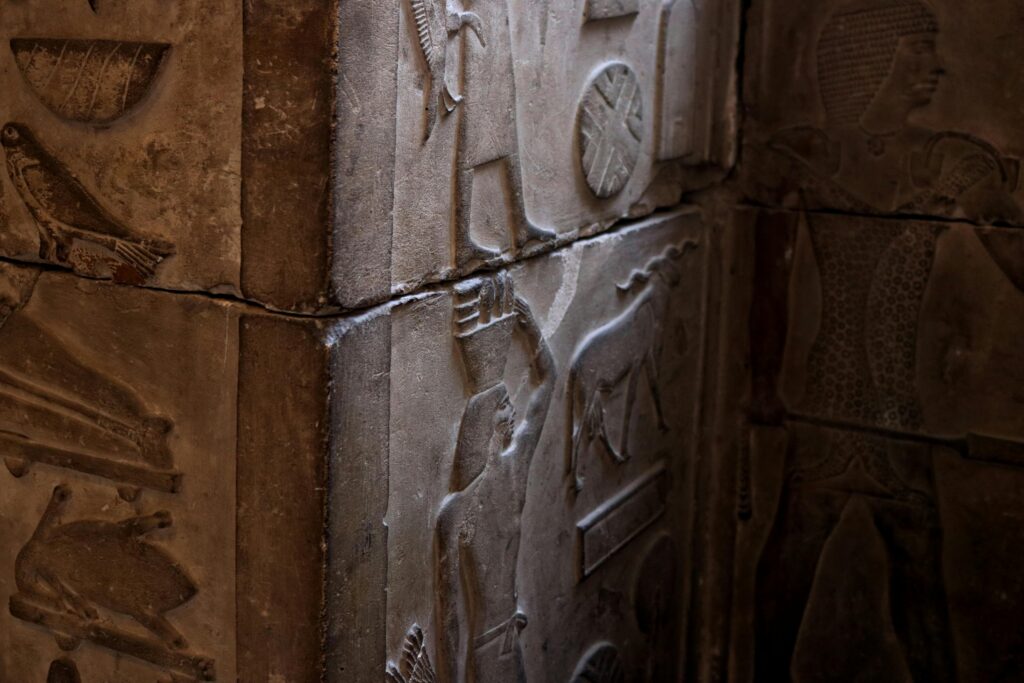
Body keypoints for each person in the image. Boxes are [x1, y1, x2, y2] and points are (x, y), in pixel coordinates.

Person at [747, 1, 1024, 679]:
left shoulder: (946, 162)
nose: (935, 66)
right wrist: (760, 384)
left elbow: (1011, 249)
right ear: (871, 60)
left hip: (898, 423)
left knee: (923, 609)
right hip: (827, 414)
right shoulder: (804, 158)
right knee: (781, 598)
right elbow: (768, 287)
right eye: (917, 49)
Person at [434, 274, 556, 682]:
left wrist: (529, 323)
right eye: (504, 406)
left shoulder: (515, 467)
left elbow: (547, 385)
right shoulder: (458, 512)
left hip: (505, 637)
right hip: (488, 646)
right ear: (486, 425)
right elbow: (449, 618)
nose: (512, 409)